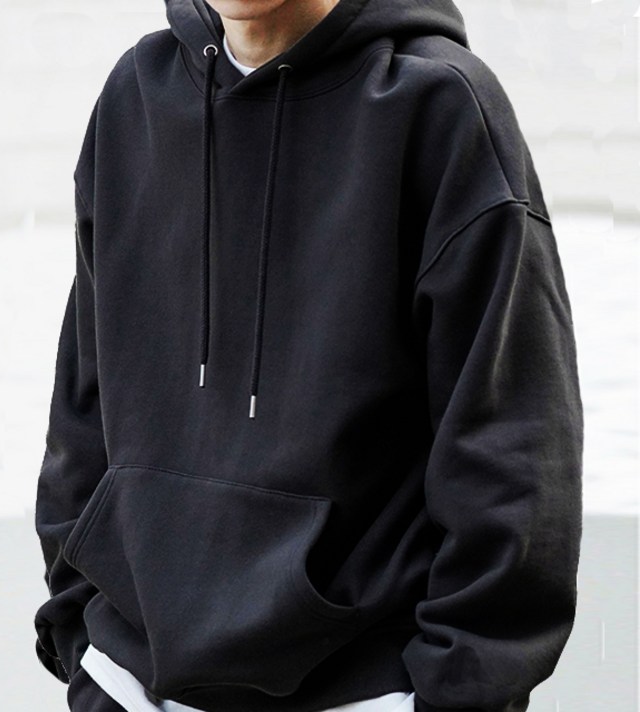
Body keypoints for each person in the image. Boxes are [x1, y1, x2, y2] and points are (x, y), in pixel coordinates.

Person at [32, 0, 585, 711]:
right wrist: (83, 643)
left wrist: (458, 692)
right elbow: (83, 396)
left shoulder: (439, 107)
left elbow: (513, 443)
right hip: (130, 684)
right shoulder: (134, 97)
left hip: (361, 689)